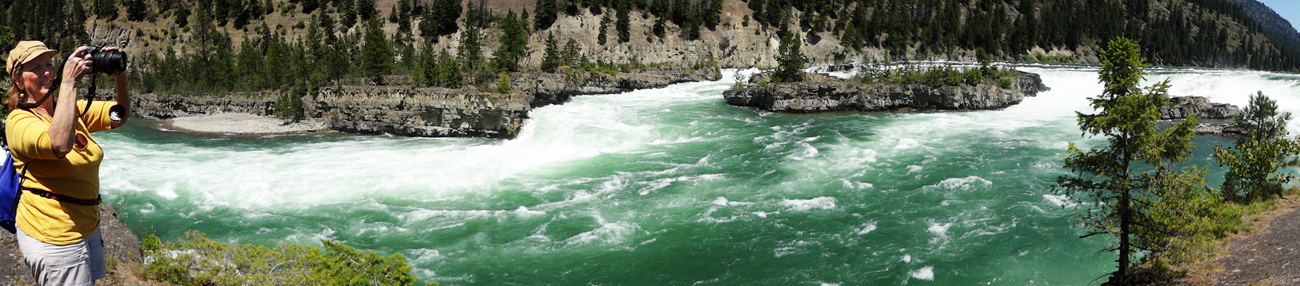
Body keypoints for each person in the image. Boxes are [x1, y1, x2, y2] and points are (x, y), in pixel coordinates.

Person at [5, 41, 131, 285]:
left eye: (49, 64)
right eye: (35, 67)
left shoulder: (72, 110)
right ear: (19, 81)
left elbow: (119, 115)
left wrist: (119, 76)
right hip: (55, 235)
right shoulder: (18, 121)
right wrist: (69, 82)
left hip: (86, 226)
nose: (46, 72)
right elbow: (60, 145)